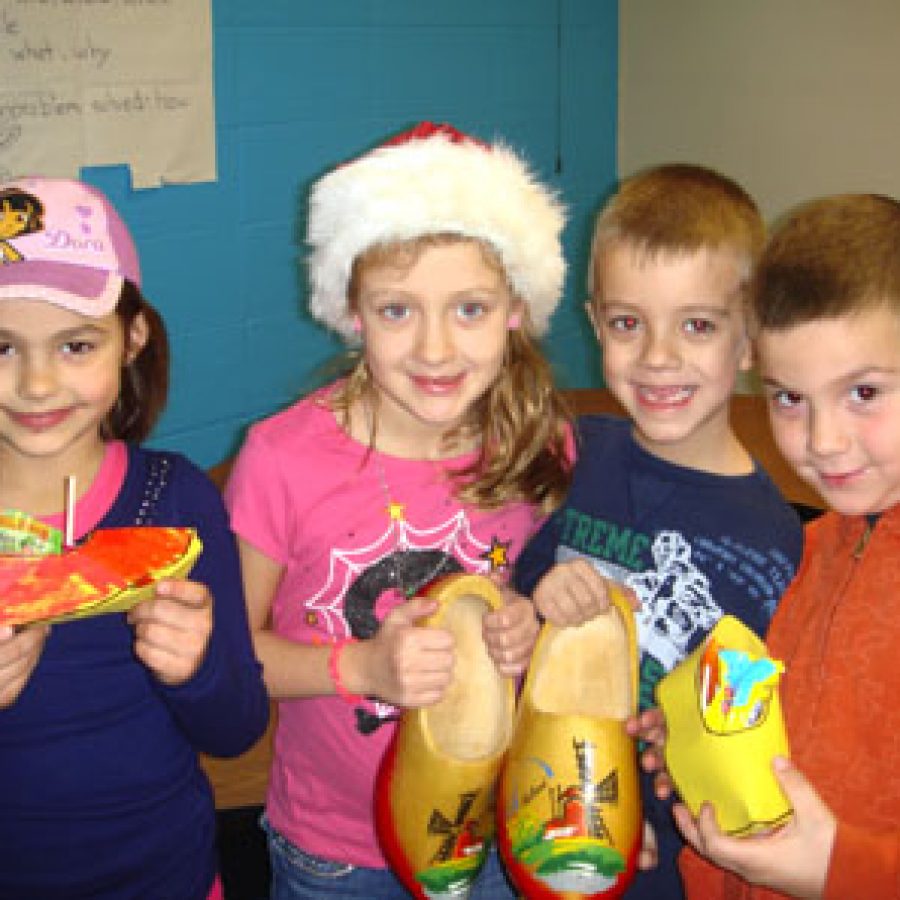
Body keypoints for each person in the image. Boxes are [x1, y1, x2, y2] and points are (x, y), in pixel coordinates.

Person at [224, 121, 572, 900]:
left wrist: (531, 624)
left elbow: (553, 602)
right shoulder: (281, 458)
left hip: (497, 827)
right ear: (351, 312)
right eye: (396, 311)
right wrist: (362, 666)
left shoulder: (542, 444)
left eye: (471, 309)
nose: (436, 350)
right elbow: (235, 658)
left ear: (517, 307)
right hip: (341, 852)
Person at [514, 163, 805, 899]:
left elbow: (763, 748)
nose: (658, 357)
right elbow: (519, 609)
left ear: (750, 340)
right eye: (627, 323)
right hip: (548, 814)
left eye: (697, 325)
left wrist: (659, 806)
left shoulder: (775, 542)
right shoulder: (581, 456)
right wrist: (538, 597)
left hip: (673, 864)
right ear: (594, 321)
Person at [0, 177, 269, 900]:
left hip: (169, 876)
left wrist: (197, 669)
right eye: (2, 347)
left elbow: (238, 728)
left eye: (76, 344)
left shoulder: (174, 499)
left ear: (132, 340)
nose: (34, 383)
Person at [673, 193, 900, 899]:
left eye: (863, 392)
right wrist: (698, 740)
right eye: (788, 399)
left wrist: (835, 867)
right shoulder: (816, 544)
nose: (822, 441)